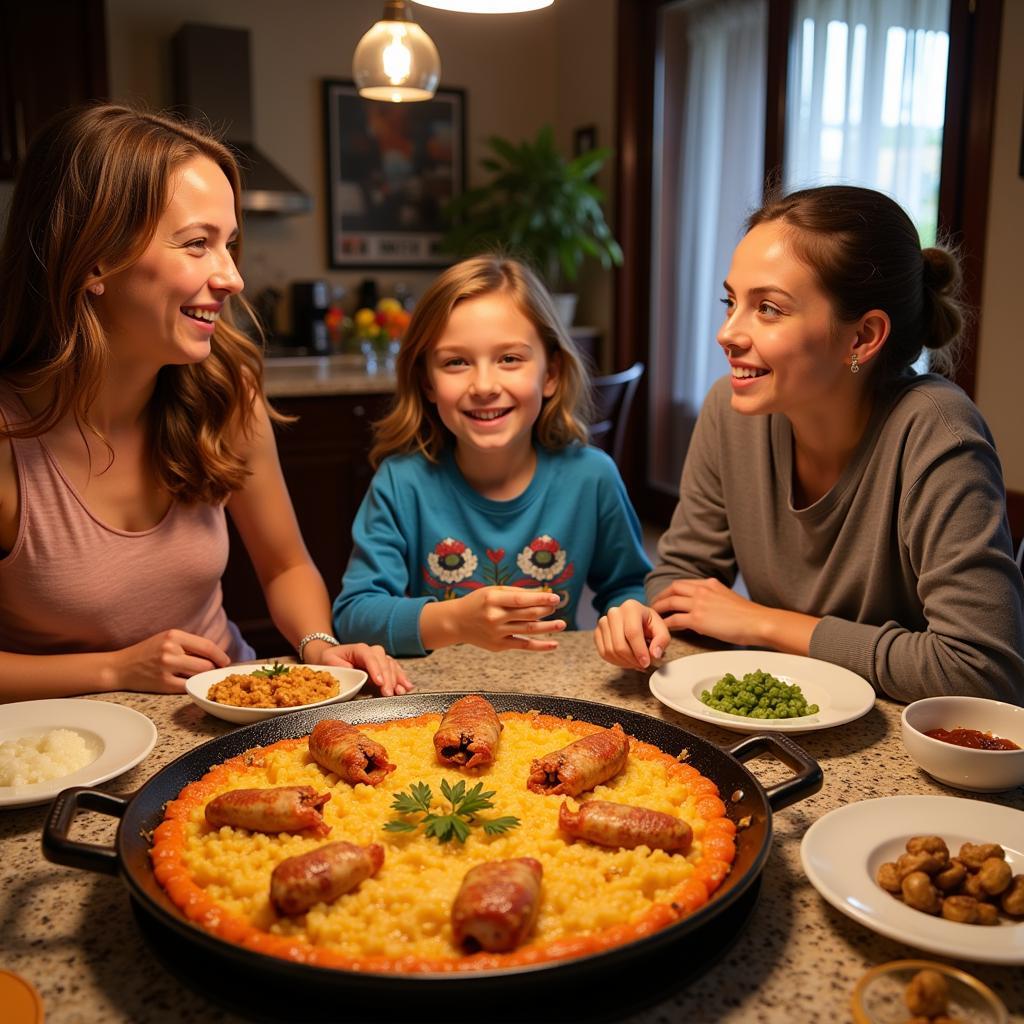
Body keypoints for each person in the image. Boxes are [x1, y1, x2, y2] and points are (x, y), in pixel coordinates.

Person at [0, 104, 411, 700]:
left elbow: (286, 565)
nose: (232, 277)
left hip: (226, 720)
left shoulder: (224, 392)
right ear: (94, 257)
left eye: (229, 244)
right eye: (198, 244)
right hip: (67, 754)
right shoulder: (10, 440)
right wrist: (114, 670)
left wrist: (319, 645)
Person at [595, 185, 1024, 704]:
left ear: (863, 337)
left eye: (769, 309)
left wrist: (766, 623)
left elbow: (981, 671)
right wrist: (649, 616)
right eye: (731, 302)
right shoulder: (730, 411)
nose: (727, 332)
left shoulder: (938, 432)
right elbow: (683, 574)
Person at [332, 255, 651, 656]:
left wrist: (629, 616)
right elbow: (355, 616)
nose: (484, 385)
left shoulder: (592, 477)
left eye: (509, 359)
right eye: (456, 362)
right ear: (427, 382)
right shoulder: (401, 484)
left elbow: (627, 586)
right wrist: (455, 621)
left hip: (558, 699)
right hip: (436, 703)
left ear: (550, 373)